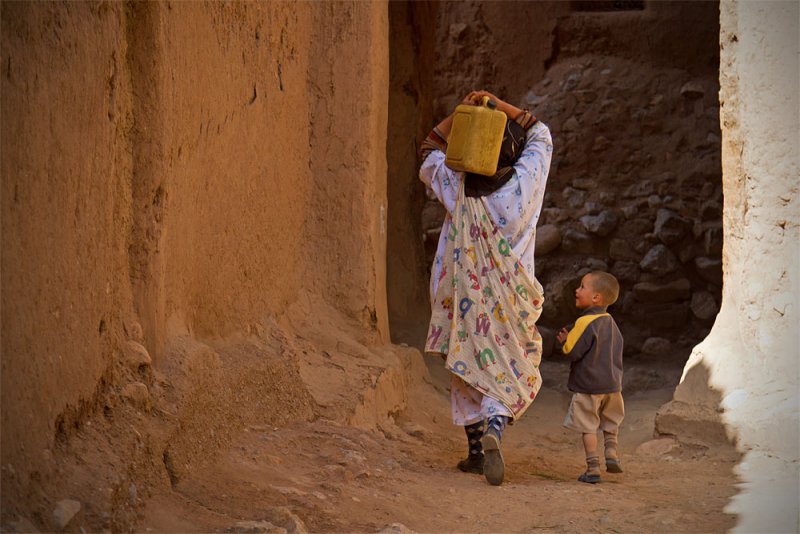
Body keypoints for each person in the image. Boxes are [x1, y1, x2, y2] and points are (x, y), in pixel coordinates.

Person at [419, 90, 553, 486]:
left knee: (467, 358)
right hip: (513, 296)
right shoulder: (526, 183)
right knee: (509, 361)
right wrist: (497, 103)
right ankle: (496, 422)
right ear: (512, 154)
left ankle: (476, 451)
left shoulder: (455, 183)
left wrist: (465, 109)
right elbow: (541, 133)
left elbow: (429, 146)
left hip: (460, 294)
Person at [555, 271, 625, 484]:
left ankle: (593, 467)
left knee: (589, 426)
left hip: (589, 387)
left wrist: (564, 340)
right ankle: (611, 453)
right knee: (610, 421)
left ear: (596, 298)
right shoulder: (611, 323)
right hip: (613, 386)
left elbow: (572, 350)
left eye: (582, 287)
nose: (577, 290)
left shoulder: (584, 322)